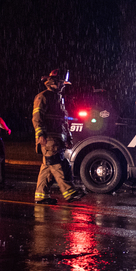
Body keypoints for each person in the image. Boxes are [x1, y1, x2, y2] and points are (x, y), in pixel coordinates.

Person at [32, 69, 86, 204]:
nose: (63, 86)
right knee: (58, 165)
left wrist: (68, 138)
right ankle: (70, 192)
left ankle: (41, 195)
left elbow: (63, 121)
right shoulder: (42, 97)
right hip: (49, 139)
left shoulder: (58, 99)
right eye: (62, 83)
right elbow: (37, 118)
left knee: (48, 167)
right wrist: (40, 135)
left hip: (57, 140)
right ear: (54, 82)